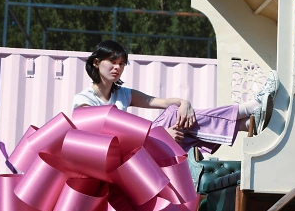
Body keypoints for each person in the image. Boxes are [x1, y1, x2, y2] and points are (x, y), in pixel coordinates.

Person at [73, 40, 277, 154]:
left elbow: (160, 102)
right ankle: (248, 112)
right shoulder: (85, 102)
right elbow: (108, 141)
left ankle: (247, 122)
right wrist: (160, 135)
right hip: (121, 159)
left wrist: (184, 103)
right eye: (112, 62)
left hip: (141, 149)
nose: (117, 68)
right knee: (177, 120)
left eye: (121, 63)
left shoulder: (122, 94)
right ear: (96, 63)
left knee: (175, 113)